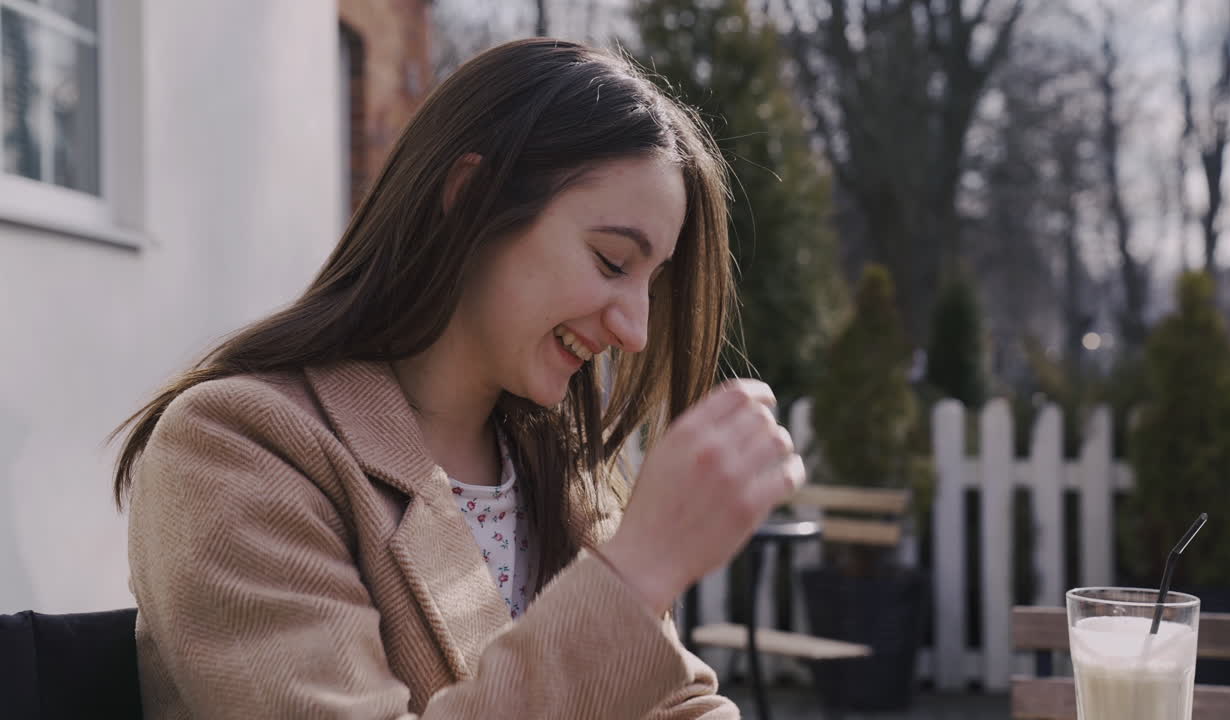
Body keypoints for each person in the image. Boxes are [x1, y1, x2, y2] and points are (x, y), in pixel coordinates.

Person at [112, 38, 805, 719]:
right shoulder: (237, 450)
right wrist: (637, 572)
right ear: (471, 197)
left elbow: (679, 705)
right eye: (612, 262)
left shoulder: (560, 473)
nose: (635, 331)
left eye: (653, 283)